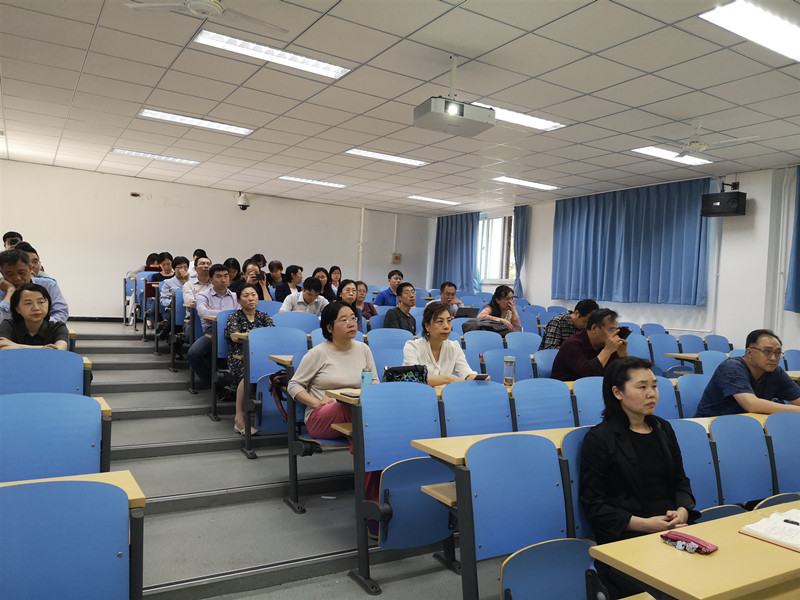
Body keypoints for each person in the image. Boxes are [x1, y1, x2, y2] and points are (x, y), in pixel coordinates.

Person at [580, 356, 699, 598]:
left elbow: (680, 480)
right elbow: (594, 505)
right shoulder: (600, 439)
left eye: (654, 386)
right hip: (627, 537)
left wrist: (682, 512)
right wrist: (646, 525)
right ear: (617, 392)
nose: (651, 394)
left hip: (673, 529)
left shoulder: (663, 429)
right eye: (642, 387)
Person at [287, 302, 380, 510]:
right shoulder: (318, 353)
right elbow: (293, 385)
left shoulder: (363, 349)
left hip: (356, 414)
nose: (351, 323)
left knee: (367, 422)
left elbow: (374, 382)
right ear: (329, 327)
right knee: (350, 411)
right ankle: (371, 502)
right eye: (344, 320)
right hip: (322, 416)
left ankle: (376, 491)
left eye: (353, 318)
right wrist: (316, 401)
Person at [695, 329, 800, 417]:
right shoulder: (731, 367)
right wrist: (796, 410)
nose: (773, 358)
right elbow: (751, 404)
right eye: (767, 351)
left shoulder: (775, 372)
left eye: (777, 353)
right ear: (749, 352)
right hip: (711, 427)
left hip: (748, 425)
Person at [225, 283, 274, 435]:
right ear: (239, 300)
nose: (251, 298)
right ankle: (239, 417)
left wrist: (252, 334)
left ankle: (275, 416)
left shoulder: (263, 316)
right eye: (246, 296)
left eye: (253, 295)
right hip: (239, 357)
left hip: (262, 356)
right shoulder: (234, 316)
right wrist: (257, 335)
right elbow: (235, 337)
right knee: (247, 372)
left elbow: (272, 334)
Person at [403, 301, 484, 386]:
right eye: (440, 321)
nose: (446, 326)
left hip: (444, 394)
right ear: (427, 326)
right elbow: (415, 377)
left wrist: (475, 378)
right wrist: (447, 379)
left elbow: (466, 372)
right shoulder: (412, 347)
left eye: (449, 321)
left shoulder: (454, 346)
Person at [186, 264, 237, 386]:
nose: (223, 280)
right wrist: (229, 313)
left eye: (226, 276)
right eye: (219, 276)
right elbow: (204, 312)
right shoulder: (203, 295)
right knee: (193, 354)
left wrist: (214, 311)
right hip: (213, 331)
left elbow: (240, 314)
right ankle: (212, 383)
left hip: (234, 331)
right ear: (211, 280)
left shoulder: (236, 296)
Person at [551, 308, 627, 381]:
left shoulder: (606, 345)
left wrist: (623, 355)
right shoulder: (571, 344)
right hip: (566, 388)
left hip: (595, 387)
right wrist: (607, 350)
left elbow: (623, 375)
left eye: (617, 330)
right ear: (594, 328)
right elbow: (588, 375)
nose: (615, 334)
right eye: (612, 330)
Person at [0, 249, 69, 323]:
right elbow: (1, 321)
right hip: (10, 330)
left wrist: (40, 327)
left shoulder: (49, 285)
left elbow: (61, 313)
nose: (17, 278)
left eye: (21, 272)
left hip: (47, 329)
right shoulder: (1, 291)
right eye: (10, 274)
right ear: (2, 273)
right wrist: (10, 291)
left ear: (30, 268)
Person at [0, 283, 69, 350]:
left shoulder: (58, 327)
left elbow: (59, 349)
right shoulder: (8, 325)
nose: (36, 308)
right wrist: (42, 348)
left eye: (41, 302)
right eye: (28, 303)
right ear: (17, 309)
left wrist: (16, 346)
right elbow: (2, 347)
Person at [158, 255, 191, 340]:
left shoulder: (192, 281)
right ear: (174, 269)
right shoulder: (168, 282)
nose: (183, 270)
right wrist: (171, 303)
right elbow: (163, 299)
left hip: (189, 308)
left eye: (185, 267)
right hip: (172, 309)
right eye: (179, 267)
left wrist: (187, 280)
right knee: (176, 312)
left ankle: (167, 331)